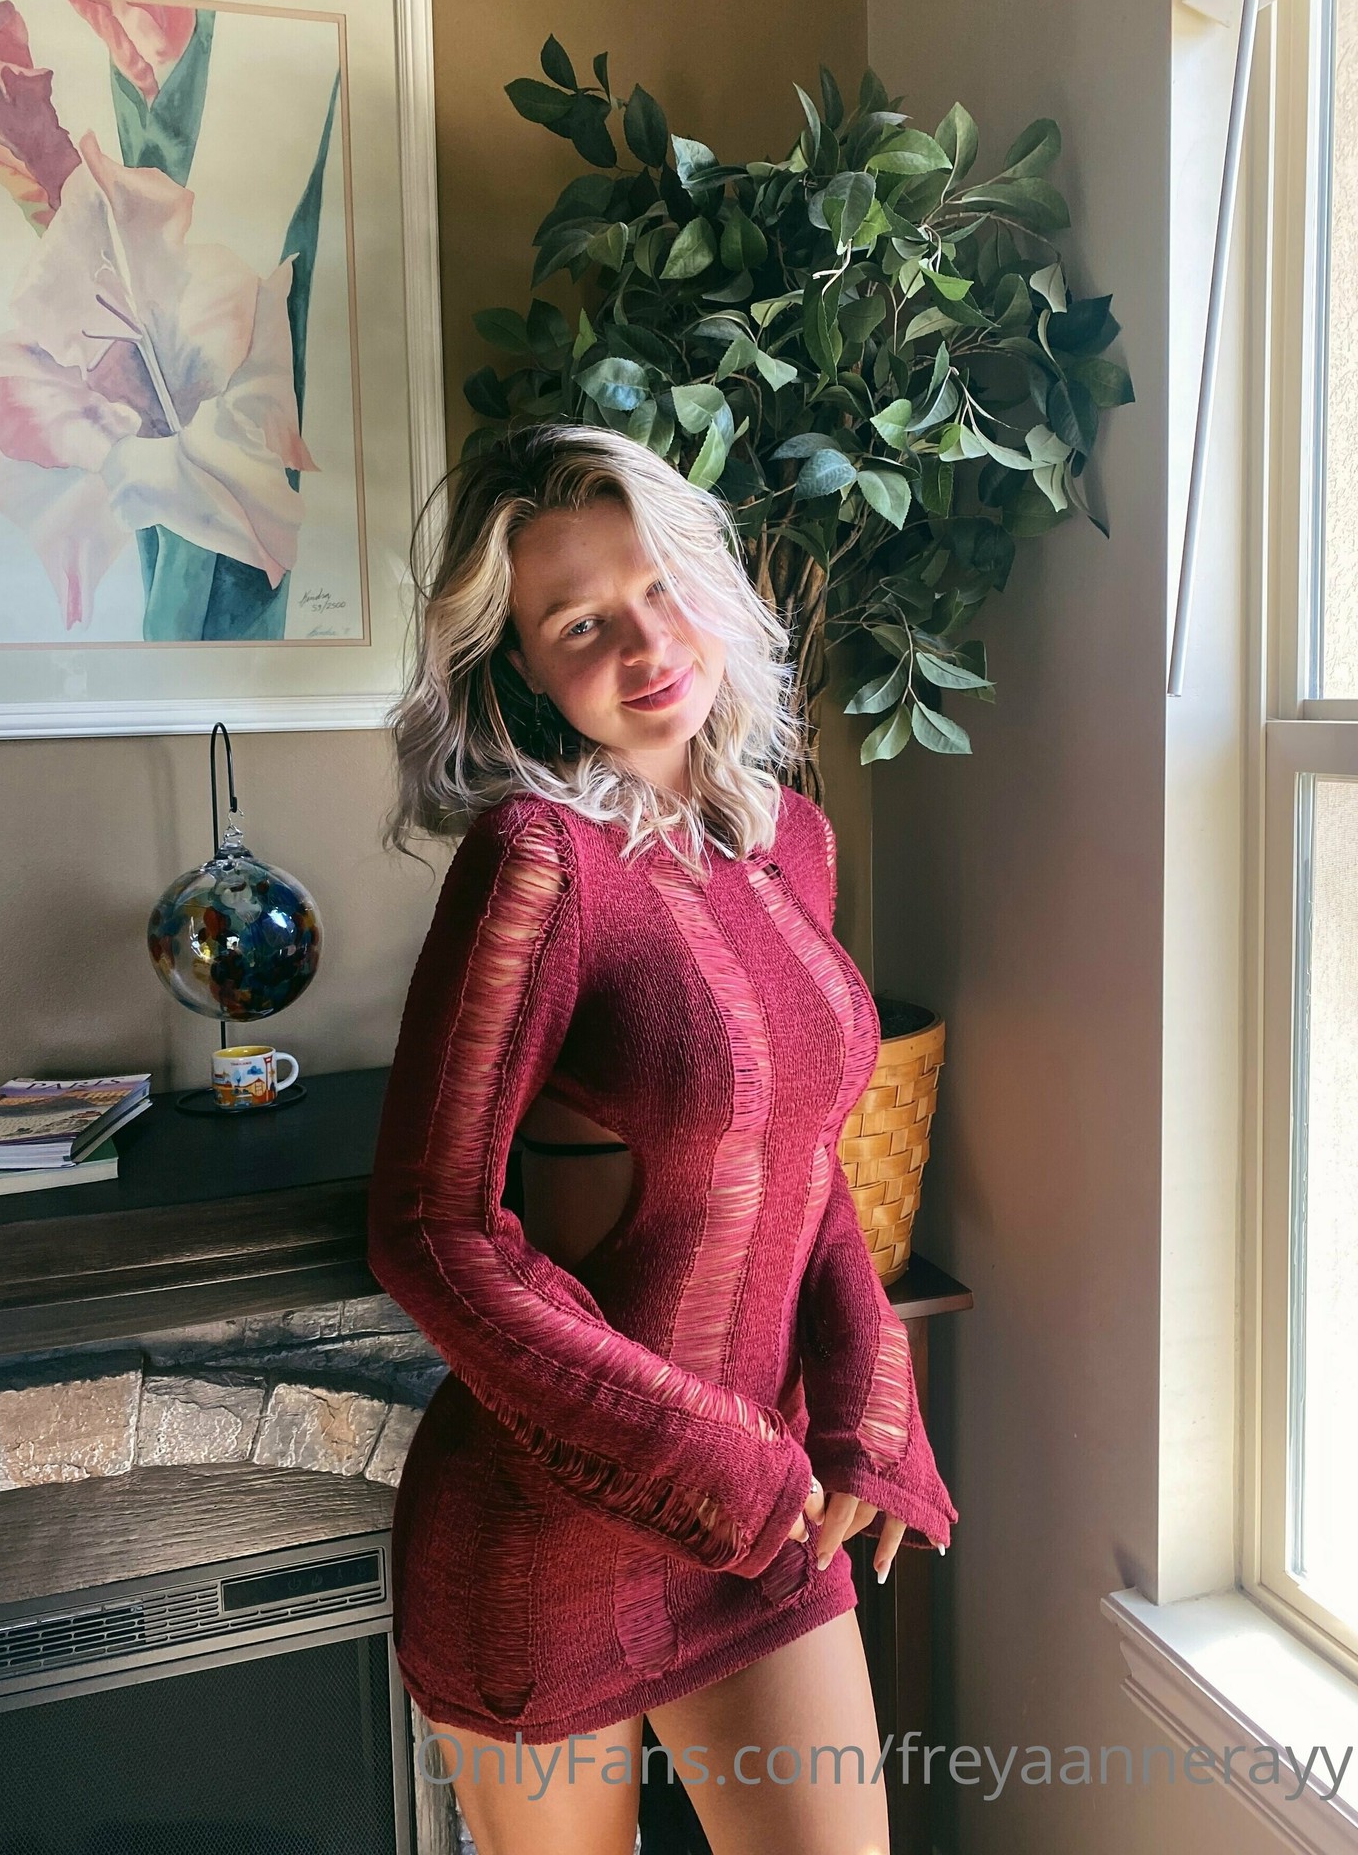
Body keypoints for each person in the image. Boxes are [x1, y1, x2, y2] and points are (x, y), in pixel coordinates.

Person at [367, 422, 958, 1855]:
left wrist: (872, 1408)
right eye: (579, 622)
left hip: (766, 1521)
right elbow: (432, 1230)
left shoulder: (792, 839)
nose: (645, 644)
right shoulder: (538, 861)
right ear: (521, 668)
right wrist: (714, 1460)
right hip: (545, 1535)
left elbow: (804, 1158)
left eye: (659, 587)